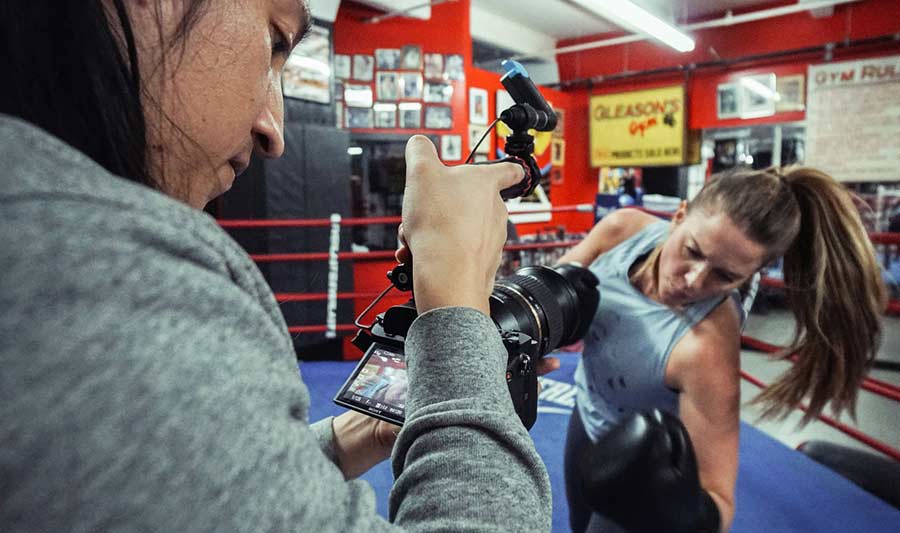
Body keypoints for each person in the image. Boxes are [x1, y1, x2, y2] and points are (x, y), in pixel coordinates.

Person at [0, 1, 551, 530]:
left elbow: (187, 503)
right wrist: (456, 302)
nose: (275, 131)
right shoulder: (98, 286)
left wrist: (347, 438)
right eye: (275, 42)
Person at [556, 167, 886, 532]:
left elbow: (720, 500)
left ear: (749, 278)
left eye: (725, 276)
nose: (694, 281)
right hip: (585, 415)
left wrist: (677, 512)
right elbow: (553, 286)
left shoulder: (706, 349)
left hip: (643, 468)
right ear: (679, 216)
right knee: (576, 523)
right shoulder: (621, 231)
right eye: (692, 250)